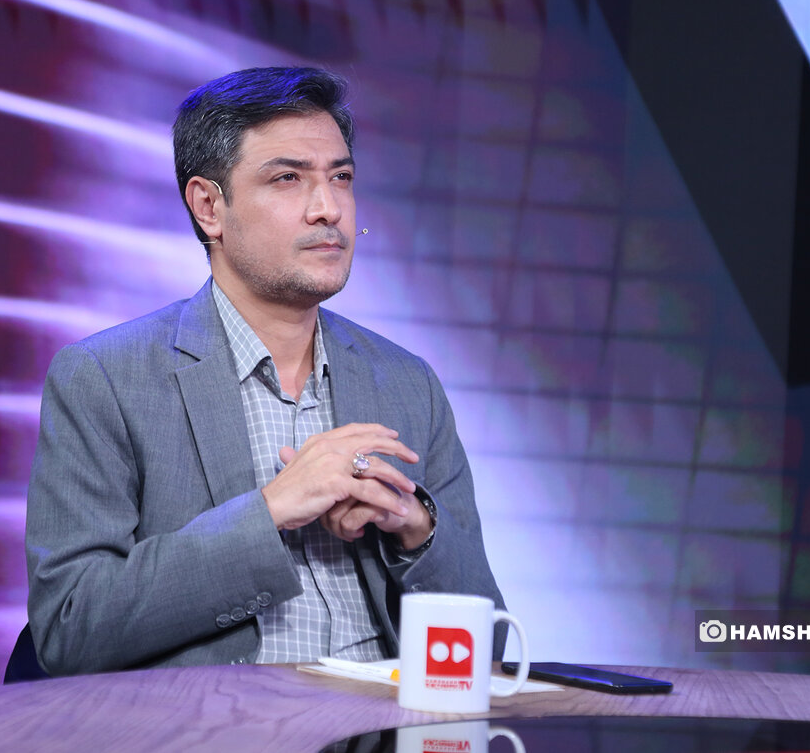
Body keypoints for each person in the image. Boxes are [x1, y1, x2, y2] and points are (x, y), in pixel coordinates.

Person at [25, 66, 504, 675]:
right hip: (218, 719)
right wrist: (269, 512)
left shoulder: (407, 383)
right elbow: (70, 629)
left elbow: (487, 653)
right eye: (287, 178)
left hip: (386, 718)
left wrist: (417, 531)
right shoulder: (106, 379)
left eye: (341, 177)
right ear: (209, 207)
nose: (328, 209)